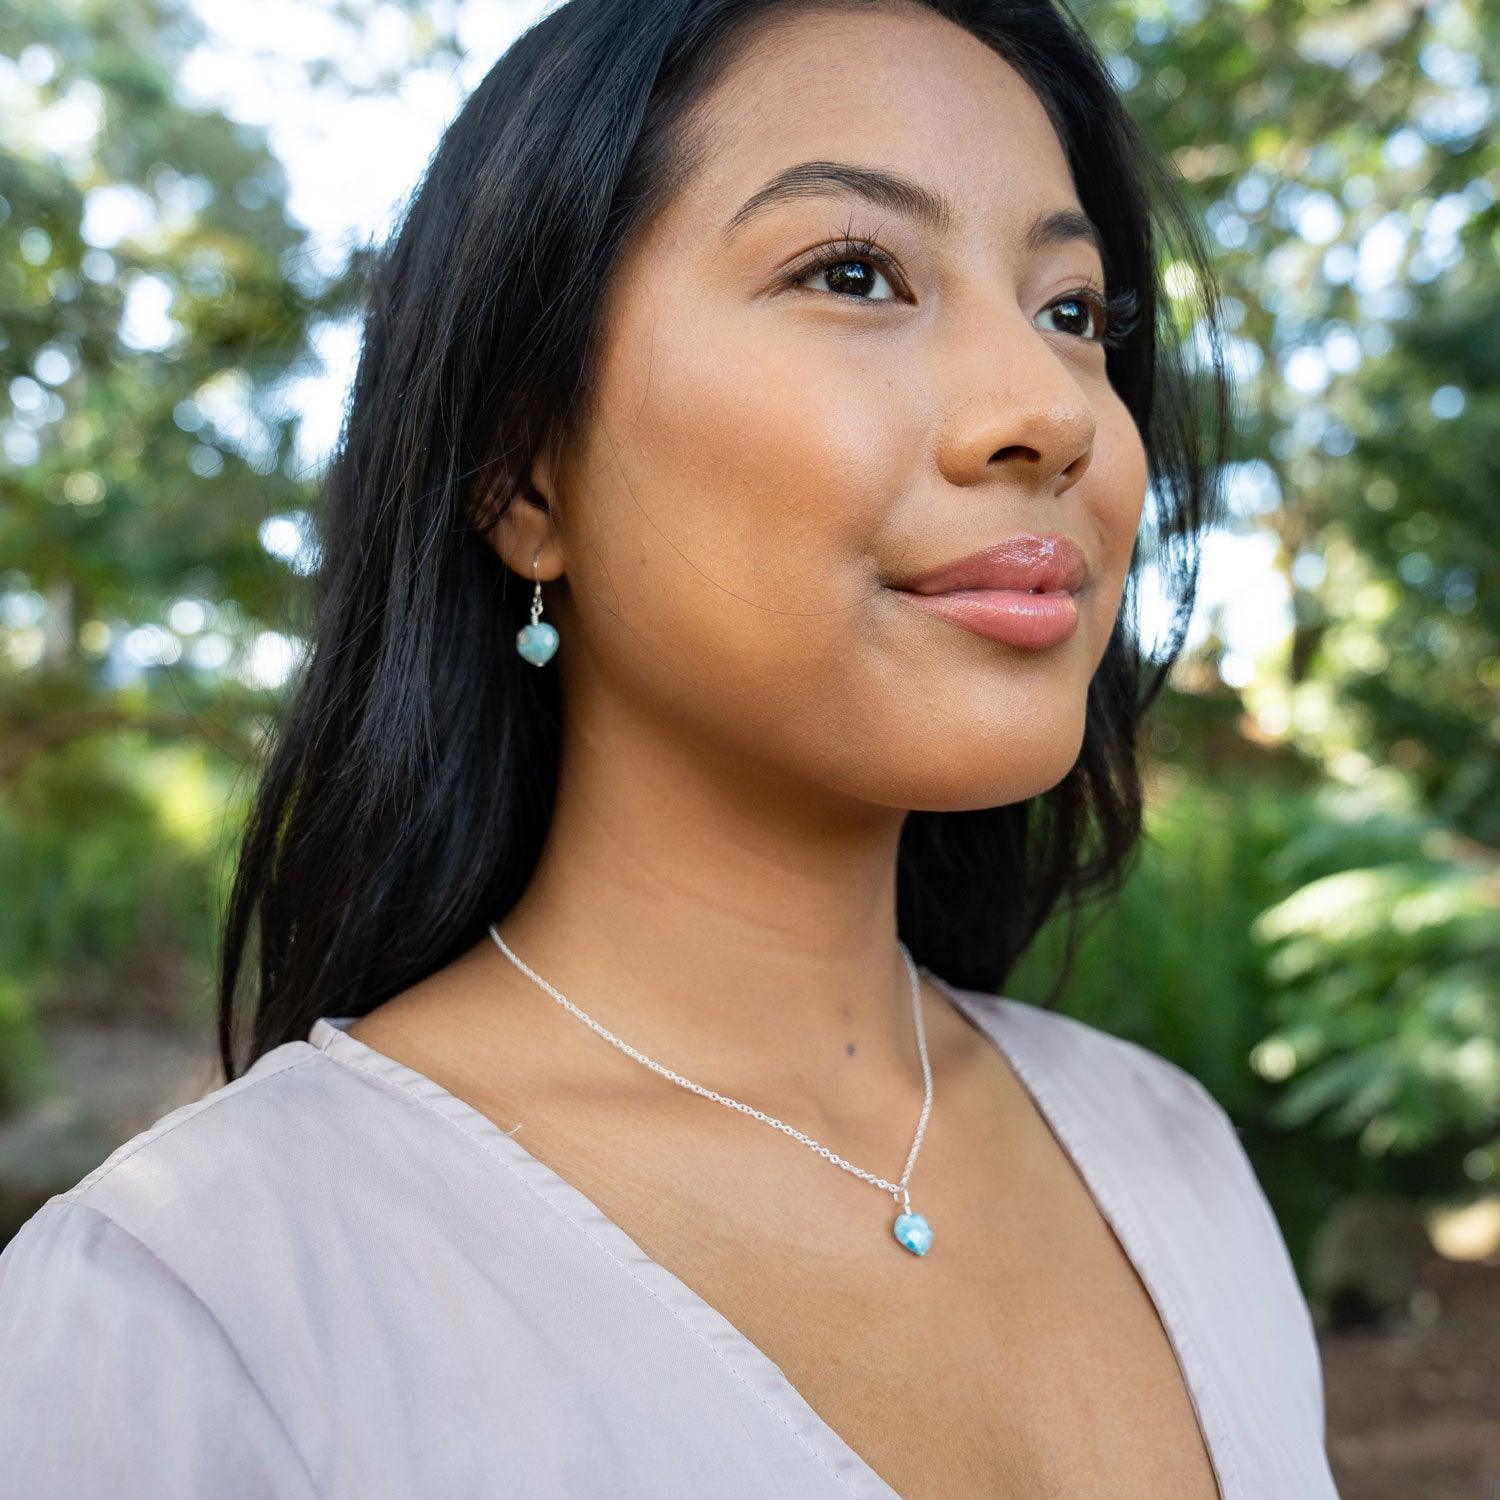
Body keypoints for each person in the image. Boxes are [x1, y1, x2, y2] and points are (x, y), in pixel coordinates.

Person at [0, 0, 1340, 1495]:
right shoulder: (195, 1317)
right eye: (854, 273)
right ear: (526, 475)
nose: (1051, 409)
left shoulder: (1173, 1161)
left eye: (1071, 311)